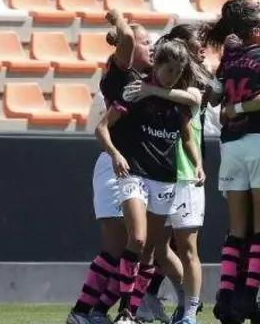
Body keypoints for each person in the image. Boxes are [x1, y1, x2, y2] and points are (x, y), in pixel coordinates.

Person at [67, 12, 196, 324]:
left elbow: (192, 96)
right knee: (122, 246)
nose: (151, 47)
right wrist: (119, 20)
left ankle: (100, 311)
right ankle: (85, 311)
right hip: (120, 165)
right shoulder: (123, 73)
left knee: (135, 248)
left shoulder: (150, 82)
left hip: (145, 170)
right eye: (145, 42)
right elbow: (125, 38)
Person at [94, 38, 206, 324]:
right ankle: (125, 312)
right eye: (169, 70)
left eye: (178, 72)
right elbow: (103, 128)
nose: (173, 77)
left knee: (151, 248)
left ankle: (131, 309)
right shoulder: (134, 91)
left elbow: (187, 136)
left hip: (165, 180)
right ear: (156, 65)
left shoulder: (178, 100)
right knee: (138, 238)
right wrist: (116, 154)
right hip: (134, 174)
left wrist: (198, 164)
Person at [204, 0, 260, 324]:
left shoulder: (230, 58)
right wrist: (240, 106)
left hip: (231, 145)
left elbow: (212, 97)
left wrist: (225, 67)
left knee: (237, 227)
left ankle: (225, 295)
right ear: (255, 30)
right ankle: (248, 296)